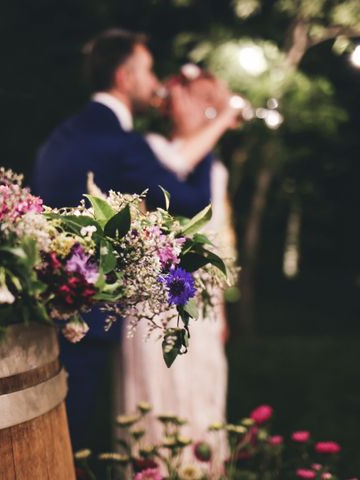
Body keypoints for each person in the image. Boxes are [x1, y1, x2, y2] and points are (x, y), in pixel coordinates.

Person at [31, 29, 235, 450]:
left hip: (48, 304)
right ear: (124, 77)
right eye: (147, 71)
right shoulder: (121, 144)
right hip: (91, 313)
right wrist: (214, 126)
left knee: (56, 431)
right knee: (70, 438)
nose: (154, 81)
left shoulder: (63, 135)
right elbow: (193, 200)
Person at [116, 66, 237, 476]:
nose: (202, 109)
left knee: (201, 382)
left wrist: (219, 306)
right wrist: (224, 118)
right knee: (156, 386)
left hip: (197, 294)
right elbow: (174, 184)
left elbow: (216, 238)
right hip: (153, 295)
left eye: (209, 103)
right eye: (195, 98)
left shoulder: (215, 169)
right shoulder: (152, 150)